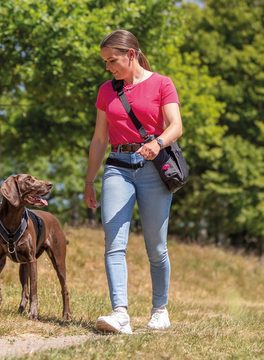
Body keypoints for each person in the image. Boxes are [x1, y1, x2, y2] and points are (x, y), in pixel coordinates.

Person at [84, 29, 183, 334]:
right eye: (104, 62)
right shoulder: (106, 91)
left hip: (153, 168)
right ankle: (120, 313)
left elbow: (176, 125)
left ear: (131, 54)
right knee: (114, 243)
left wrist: (159, 142)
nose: (108, 67)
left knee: (156, 247)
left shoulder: (162, 83)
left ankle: (159, 309)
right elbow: (100, 138)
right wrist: (89, 179)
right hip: (117, 168)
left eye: (111, 60)